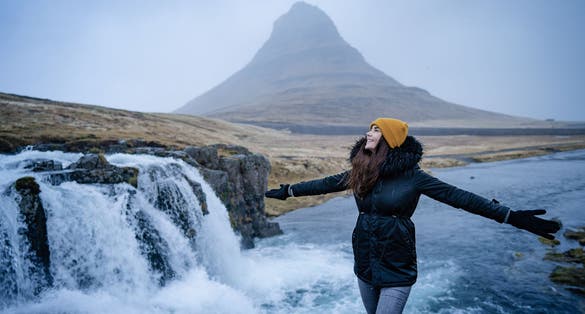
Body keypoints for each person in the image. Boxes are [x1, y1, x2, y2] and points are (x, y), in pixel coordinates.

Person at [265, 117, 561, 314]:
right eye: (370, 128)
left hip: (396, 264)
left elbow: (462, 197)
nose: (369, 133)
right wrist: (289, 190)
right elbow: (325, 184)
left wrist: (510, 216)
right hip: (365, 261)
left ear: (390, 138)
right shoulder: (361, 170)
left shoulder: (414, 177)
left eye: (376, 130)